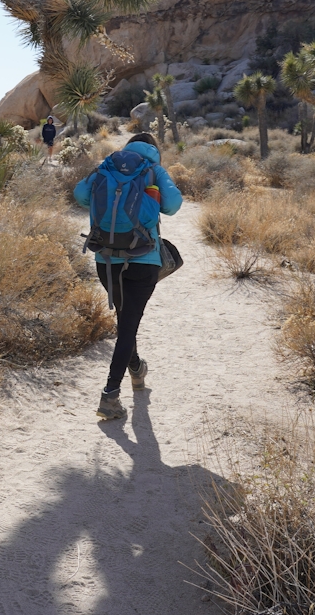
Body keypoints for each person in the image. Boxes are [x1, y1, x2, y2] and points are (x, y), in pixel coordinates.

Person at [73, 133, 183, 420]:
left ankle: (135, 367)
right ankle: (110, 396)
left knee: (125, 320)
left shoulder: (107, 165)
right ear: (155, 151)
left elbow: (80, 196)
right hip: (143, 259)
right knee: (128, 325)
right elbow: (172, 207)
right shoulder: (154, 171)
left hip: (105, 257)